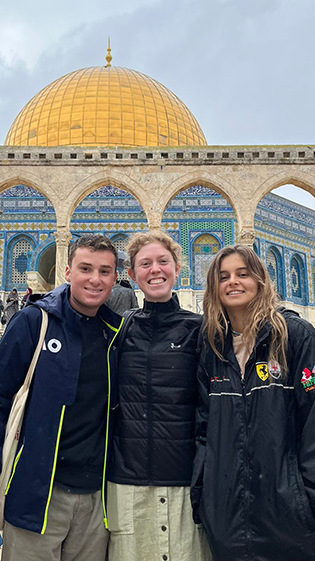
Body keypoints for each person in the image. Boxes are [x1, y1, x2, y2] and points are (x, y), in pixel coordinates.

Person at [191, 245, 315, 561]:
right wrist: (206, 498)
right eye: (224, 276)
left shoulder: (295, 336)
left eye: (243, 274)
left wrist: (314, 505)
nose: (233, 282)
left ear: (260, 279)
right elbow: (204, 428)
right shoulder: (212, 346)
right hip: (232, 526)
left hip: (299, 528)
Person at [0, 235, 120, 561]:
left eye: (104, 271)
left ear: (115, 279)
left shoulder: (114, 334)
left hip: (96, 504)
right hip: (38, 495)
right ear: (67, 271)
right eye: (85, 268)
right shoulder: (35, 321)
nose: (94, 279)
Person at [107, 231, 211, 561]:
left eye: (163, 261)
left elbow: (211, 407)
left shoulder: (200, 330)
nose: (155, 270)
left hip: (184, 484)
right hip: (128, 483)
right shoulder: (120, 330)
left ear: (178, 268)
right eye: (145, 263)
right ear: (132, 274)